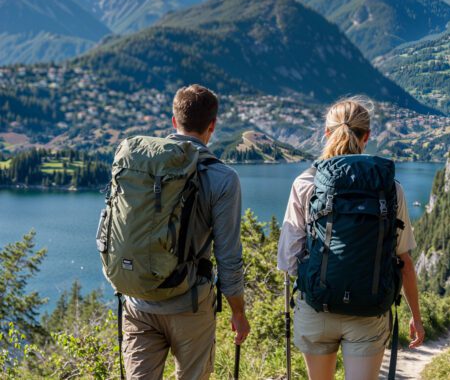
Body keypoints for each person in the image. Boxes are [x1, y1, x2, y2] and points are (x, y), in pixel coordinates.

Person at [277, 97, 425, 380]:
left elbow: (288, 259)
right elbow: (404, 260)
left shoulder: (305, 184)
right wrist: (416, 318)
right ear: (367, 136)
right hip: (368, 313)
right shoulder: (390, 189)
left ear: (326, 133)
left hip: (317, 308)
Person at [122, 85, 251, 380]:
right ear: (212, 126)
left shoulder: (141, 164)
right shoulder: (222, 177)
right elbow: (228, 255)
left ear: (173, 121)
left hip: (139, 300)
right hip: (189, 303)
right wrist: (238, 312)